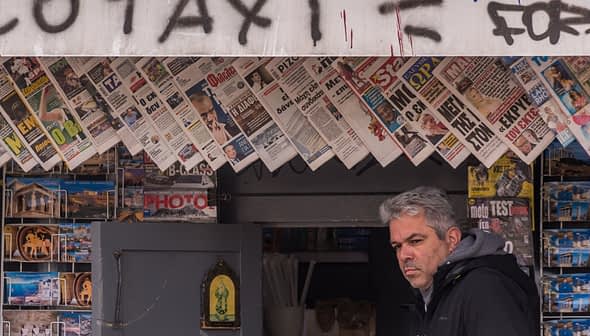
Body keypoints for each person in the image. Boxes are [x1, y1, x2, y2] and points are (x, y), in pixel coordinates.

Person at [379, 186, 539, 336]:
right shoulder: (435, 292)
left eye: (415, 241)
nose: (403, 255)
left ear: (452, 239)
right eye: (397, 246)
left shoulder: (485, 287)